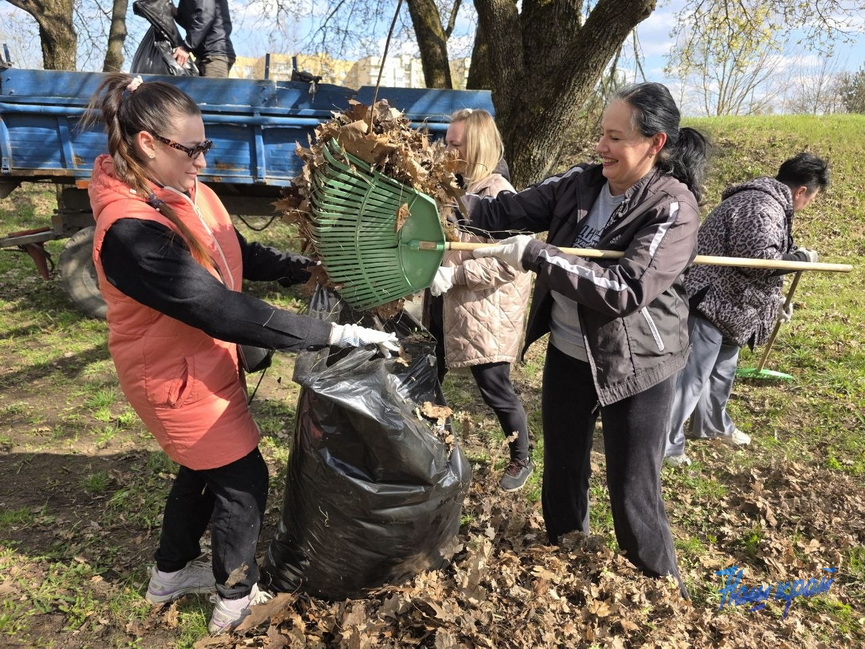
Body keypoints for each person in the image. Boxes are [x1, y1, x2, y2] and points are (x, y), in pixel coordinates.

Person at [84, 73, 398, 634]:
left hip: (202, 364)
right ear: (146, 145)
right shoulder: (130, 232)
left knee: (202, 472)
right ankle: (233, 601)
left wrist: (305, 271)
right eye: (192, 149)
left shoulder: (182, 188)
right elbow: (216, 308)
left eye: (206, 146)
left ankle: (169, 575)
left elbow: (233, 249)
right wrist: (330, 335)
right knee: (244, 480)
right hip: (172, 377)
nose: (203, 161)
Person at [464, 82, 712, 598]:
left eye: (615, 137)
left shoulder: (673, 208)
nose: (601, 147)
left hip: (639, 365)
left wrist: (540, 256)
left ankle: (662, 591)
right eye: (601, 133)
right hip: (570, 354)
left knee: (633, 487)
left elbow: (626, 290)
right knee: (561, 466)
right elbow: (495, 214)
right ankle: (565, 554)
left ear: (655, 143)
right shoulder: (580, 183)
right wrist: (432, 196)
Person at [664, 153, 828, 467]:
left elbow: (763, 259)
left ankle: (712, 426)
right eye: (812, 197)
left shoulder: (770, 204)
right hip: (711, 300)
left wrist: (778, 299)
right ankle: (665, 444)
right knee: (692, 378)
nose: (809, 204)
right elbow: (757, 260)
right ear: (802, 191)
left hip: (735, 307)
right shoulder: (760, 205)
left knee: (721, 373)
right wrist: (800, 260)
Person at [426, 109, 534, 492]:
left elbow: (509, 266)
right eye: (447, 141)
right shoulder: (448, 188)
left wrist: (454, 274)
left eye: (455, 144)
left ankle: (522, 456)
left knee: (494, 385)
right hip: (443, 300)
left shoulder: (499, 195)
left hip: (485, 308)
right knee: (428, 375)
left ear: (476, 147)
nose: (446, 149)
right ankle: (434, 448)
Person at [172, 0, 235, 78]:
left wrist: (186, 47)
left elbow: (206, 16)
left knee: (210, 89)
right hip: (204, 56)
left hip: (215, 55)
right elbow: (186, 19)